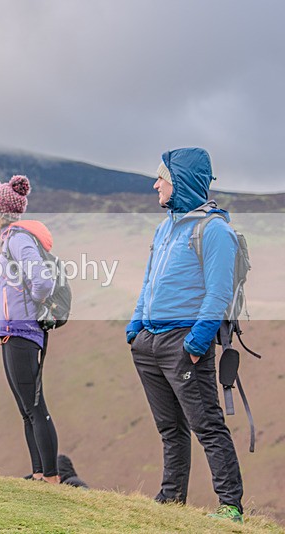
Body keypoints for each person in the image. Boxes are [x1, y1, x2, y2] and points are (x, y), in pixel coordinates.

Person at [126, 148, 244, 523]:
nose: (155, 183)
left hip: (184, 341)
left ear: (181, 182)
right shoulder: (164, 228)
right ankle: (171, 497)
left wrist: (197, 341)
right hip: (149, 342)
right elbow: (149, 281)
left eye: (162, 177)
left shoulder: (215, 231)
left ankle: (230, 506)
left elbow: (219, 293)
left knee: (207, 425)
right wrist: (135, 327)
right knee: (169, 427)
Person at [0, 176, 60, 484]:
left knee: (35, 406)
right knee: (26, 408)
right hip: (12, 331)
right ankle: (40, 472)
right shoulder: (10, 239)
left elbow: (42, 280)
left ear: (1, 211)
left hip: (21, 330)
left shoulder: (18, 239)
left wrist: (31, 307)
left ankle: (51, 476)